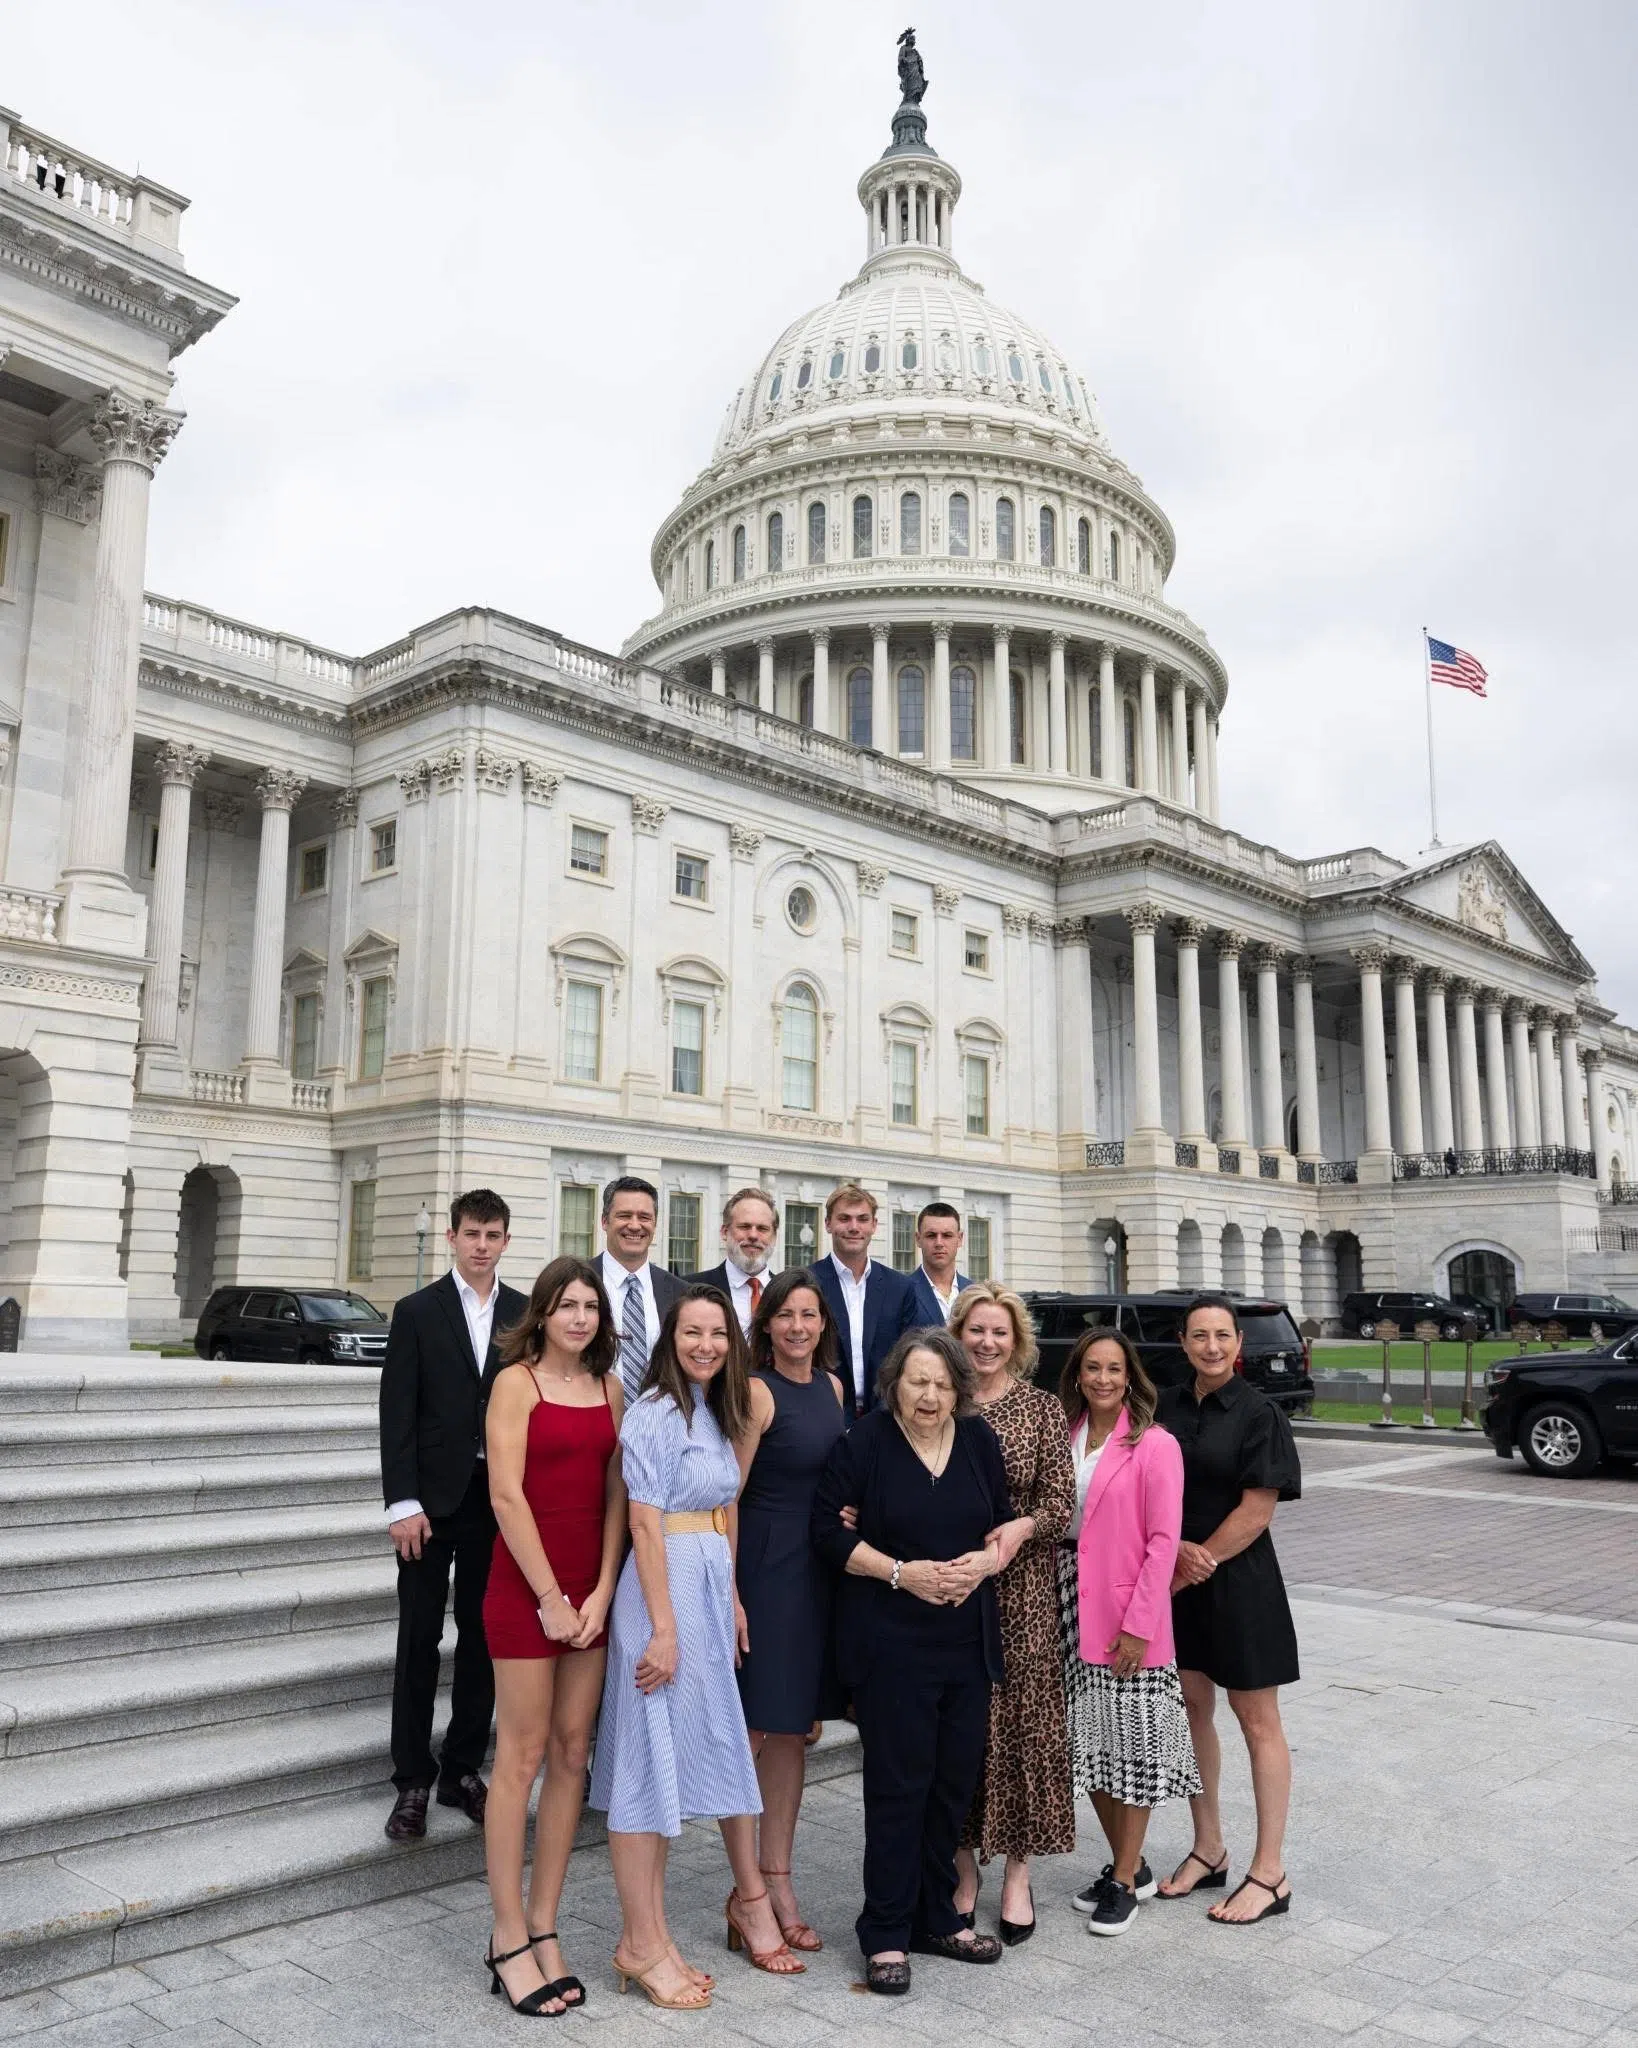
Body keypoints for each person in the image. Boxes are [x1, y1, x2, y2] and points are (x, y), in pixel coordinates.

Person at [589, 1286, 800, 2011]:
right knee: (644, 1768)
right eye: (691, 1333)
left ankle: (652, 1936)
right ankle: (639, 1942)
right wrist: (664, 1628)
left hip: (705, 1590)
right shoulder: (653, 1411)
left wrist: (732, 1596)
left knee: (668, 1771)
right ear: (669, 1341)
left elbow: (721, 1508)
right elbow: (645, 1524)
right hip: (664, 1595)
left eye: (718, 1333)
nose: (706, 1345)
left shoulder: (711, 1410)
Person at [812, 1328, 1029, 1996]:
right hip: (891, 1645)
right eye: (917, 1382)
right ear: (894, 1384)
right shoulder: (866, 1441)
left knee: (951, 1786)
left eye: (941, 1384)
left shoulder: (979, 1441)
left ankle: (936, 1917)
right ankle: (884, 1931)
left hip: (966, 1644)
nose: (929, 1396)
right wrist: (902, 1573)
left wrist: (985, 1563)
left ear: (959, 1390)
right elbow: (827, 1532)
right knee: (899, 1788)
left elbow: (1000, 1521)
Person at [480, 1257, 626, 2016]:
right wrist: (549, 1598)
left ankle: (544, 1925)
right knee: (522, 1755)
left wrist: (601, 1591)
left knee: (573, 1754)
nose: (579, 1318)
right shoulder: (516, 1383)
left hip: (588, 1596)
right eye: (567, 1305)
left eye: (590, 1307)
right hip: (525, 1590)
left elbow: (617, 1495)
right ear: (541, 1313)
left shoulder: (610, 1387)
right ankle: (507, 1937)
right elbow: (505, 1494)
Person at [379, 1189, 526, 1841]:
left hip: (496, 1501)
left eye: (492, 1235)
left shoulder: (525, 1312)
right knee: (418, 1639)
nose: (481, 1245)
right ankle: (412, 1779)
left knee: (482, 1637)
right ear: (452, 1237)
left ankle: (461, 1770)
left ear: (505, 1241)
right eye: (472, 1234)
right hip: (428, 1506)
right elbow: (397, 1412)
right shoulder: (417, 1311)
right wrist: (402, 1502)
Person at [1156, 1294, 1301, 1923]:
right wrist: (1171, 1560)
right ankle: (1209, 1848)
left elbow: (1257, 1511)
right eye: (1199, 1336)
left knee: (1257, 1720)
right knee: (1192, 1710)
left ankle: (1270, 1873)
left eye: (1222, 1335)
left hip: (1239, 1583)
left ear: (1239, 1343)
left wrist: (1196, 1561)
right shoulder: (1162, 1406)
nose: (1211, 1347)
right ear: (1183, 1342)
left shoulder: (1260, 1413)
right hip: (1176, 1583)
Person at [1058, 1326, 1199, 1937]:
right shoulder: (1063, 1433)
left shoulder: (1155, 1444)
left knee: (1133, 1746)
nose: (1103, 1378)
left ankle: (1122, 1880)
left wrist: (1140, 1625)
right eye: (1092, 1367)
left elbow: (1165, 1542)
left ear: (1130, 1376)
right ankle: (1130, 1864)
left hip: (1127, 1610)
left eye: (1114, 1368)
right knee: (1088, 1744)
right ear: (1078, 1374)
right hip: (1066, 1600)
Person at [948, 1284, 1075, 1944]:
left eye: (1000, 1331)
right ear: (957, 1334)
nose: (987, 1342)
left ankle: (1018, 1874)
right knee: (959, 1730)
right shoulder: (941, 1399)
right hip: (953, 1589)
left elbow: (1060, 1502)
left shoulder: (1042, 1408)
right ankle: (963, 1868)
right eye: (976, 1330)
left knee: (1024, 1730)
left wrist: (1023, 1527)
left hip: (1022, 1593)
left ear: (1017, 1340)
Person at [733, 1269, 847, 1953]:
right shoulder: (755, 1391)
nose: (798, 1327)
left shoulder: (832, 1388)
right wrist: (730, 1593)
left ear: (822, 1323)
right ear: (767, 1325)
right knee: (753, 1731)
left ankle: (778, 1879)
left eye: (809, 1315)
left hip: (817, 1575)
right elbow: (728, 1497)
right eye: (786, 1315)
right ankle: (747, 1893)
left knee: (792, 1732)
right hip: (766, 1573)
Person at [808, 1183, 918, 1418]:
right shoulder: (807, 1284)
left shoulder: (900, 1288)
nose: (854, 1227)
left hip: (886, 1418)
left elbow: (909, 1357)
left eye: (862, 1219)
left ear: (874, 1225)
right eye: (844, 1218)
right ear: (828, 1224)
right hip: (821, 1415)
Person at [598, 1175, 686, 1401]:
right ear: (604, 1221)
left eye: (644, 1217)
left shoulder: (681, 1293)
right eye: (624, 1215)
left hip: (661, 1418)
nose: (635, 1225)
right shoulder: (576, 1283)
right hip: (589, 1415)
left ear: (654, 1224)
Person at [690, 1186, 780, 1337]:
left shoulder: (787, 1294)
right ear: (725, 1232)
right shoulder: (690, 1289)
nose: (753, 1235)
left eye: (762, 1228)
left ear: (774, 1237)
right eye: (744, 1226)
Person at [908, 1202, 970, 1326]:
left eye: (947, 1235)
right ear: (918, 1239)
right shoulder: (902, 1292)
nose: (939, 1243)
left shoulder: (973, 1291)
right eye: (931, 1235)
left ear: (960, 1239)